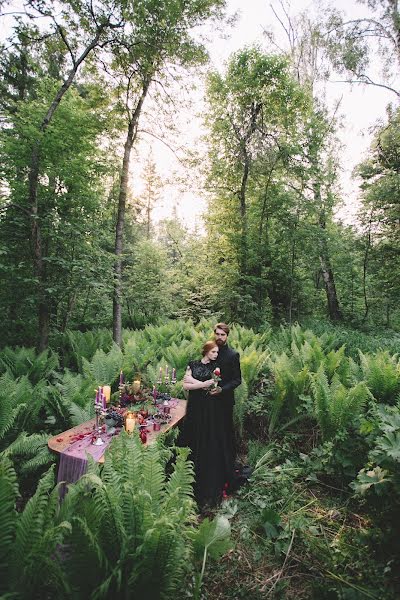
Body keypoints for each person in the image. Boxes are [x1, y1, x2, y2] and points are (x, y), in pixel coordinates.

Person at [180, 340, 235, 508]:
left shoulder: (216, 368)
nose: (216, 355)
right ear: (206, 352)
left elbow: (213, 383)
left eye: (217, 353)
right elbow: (185, 385)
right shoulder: (193, 364)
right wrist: (202, 384)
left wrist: (196, 383)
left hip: (209, 407)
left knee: (206, 436)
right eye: (213, 352)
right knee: (192, 434)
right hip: (195, 406)